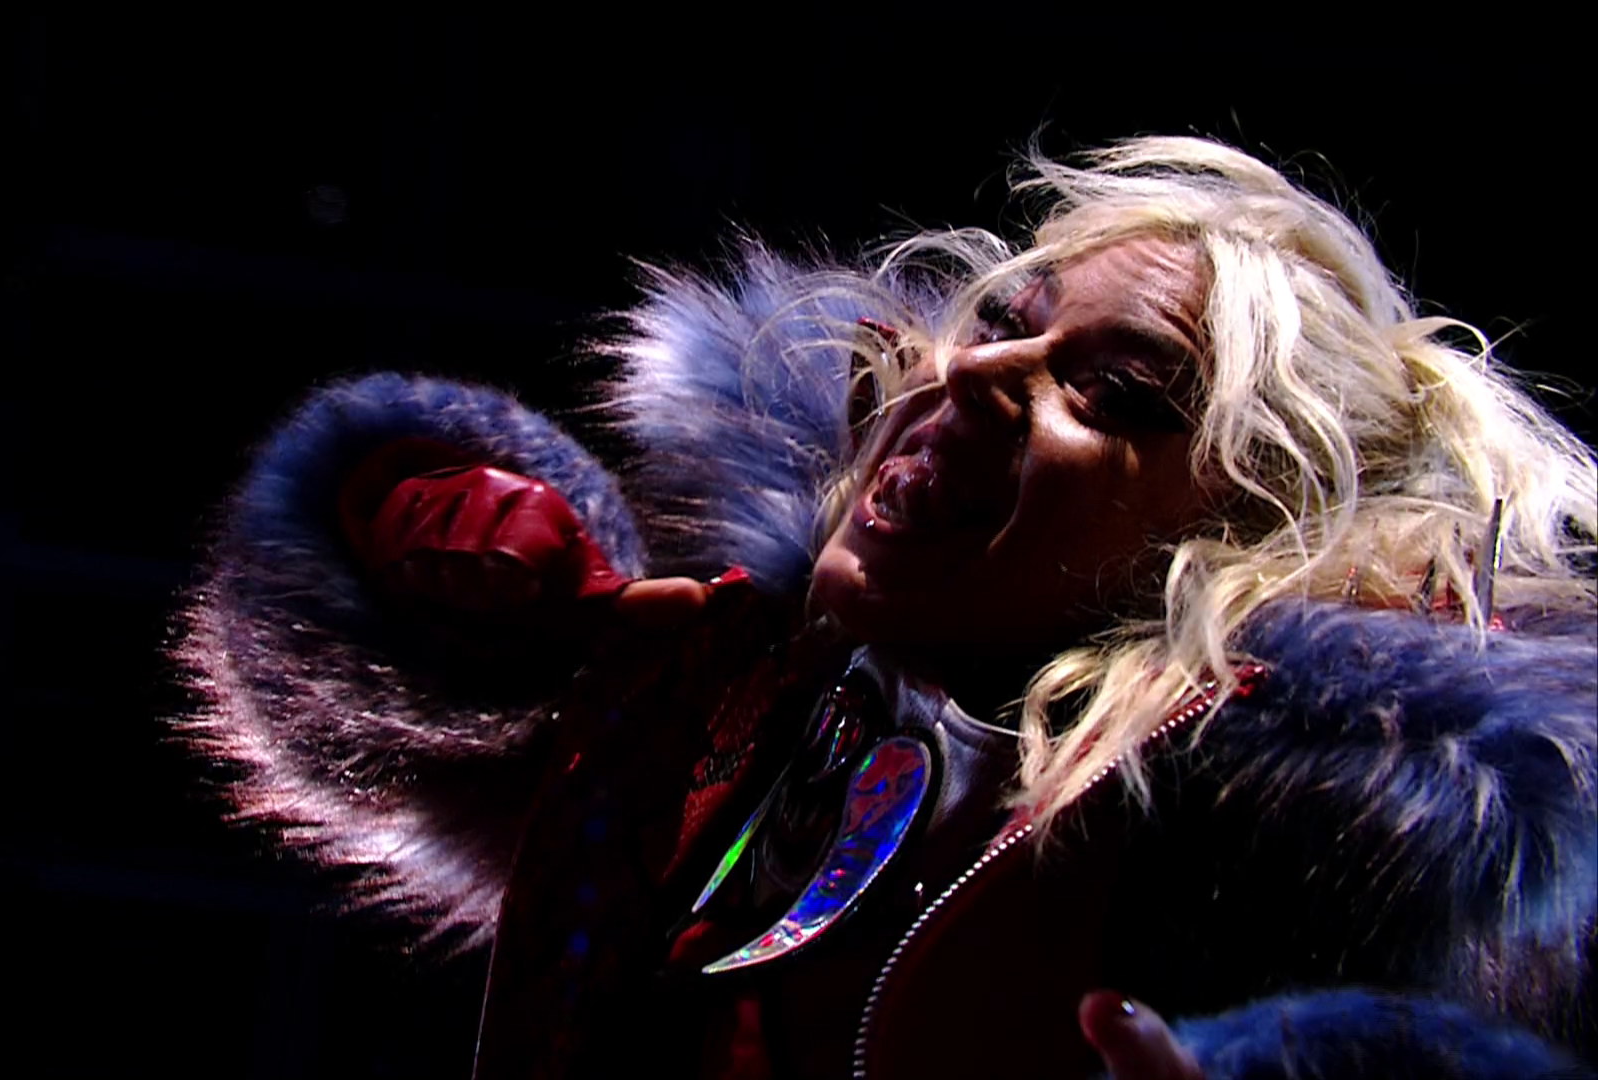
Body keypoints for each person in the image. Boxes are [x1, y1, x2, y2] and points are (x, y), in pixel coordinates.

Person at [173, 137, 1596, 1078]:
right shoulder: (740, 693)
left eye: (1111, 390)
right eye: (1006, 320)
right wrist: (434, 593)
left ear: (1251, 539)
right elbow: (437, 766)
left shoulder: (1308, 884)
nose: (976, 369)